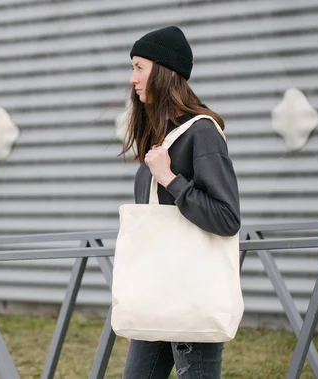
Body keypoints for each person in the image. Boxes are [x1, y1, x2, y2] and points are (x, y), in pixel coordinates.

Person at [120, 26, 242, 379]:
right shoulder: (160, 135)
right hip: (159, 292)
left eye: (139, 67)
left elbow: (226, 217)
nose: (132, 78)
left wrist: (171, 180)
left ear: (163, 70)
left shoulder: (201, 132)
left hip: (191, 291)